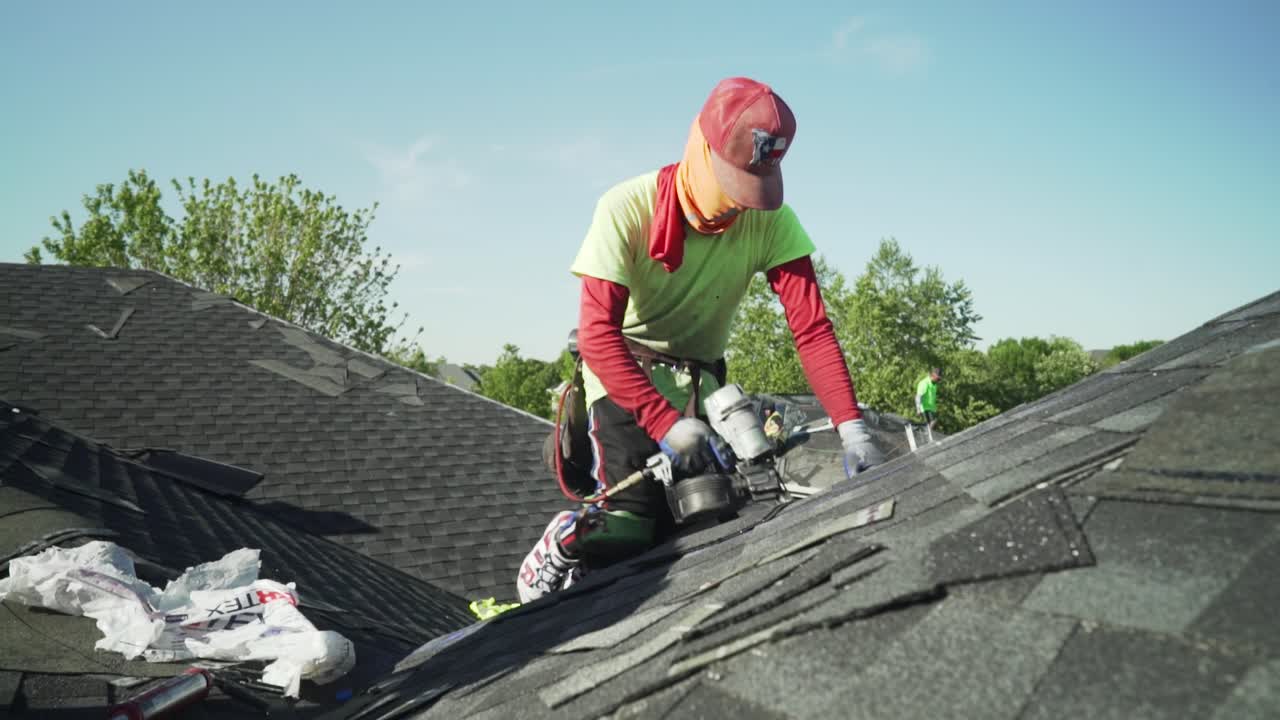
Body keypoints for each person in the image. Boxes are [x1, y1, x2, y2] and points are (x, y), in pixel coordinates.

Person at [517, 77, 884, 602]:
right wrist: (664, 422)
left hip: (702, 379)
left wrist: (853, 431)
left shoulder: (770, 221)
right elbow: (597, 337)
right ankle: (565, 540)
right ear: (699, 146)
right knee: (634, 522)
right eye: (732, 184)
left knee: (702, 518)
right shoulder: (627, 209)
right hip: (623, 374)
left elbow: (812, 328)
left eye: (751, 190)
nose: (738, 207)